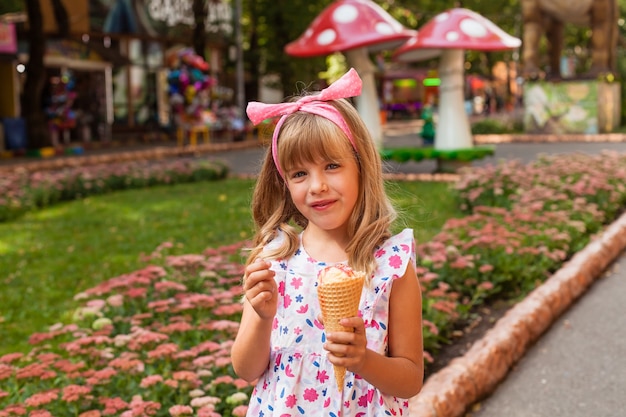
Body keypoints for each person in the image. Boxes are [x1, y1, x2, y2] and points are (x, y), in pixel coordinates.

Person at [231, 68, 424, 416]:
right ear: (285, 183)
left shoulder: (390, 264)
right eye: (300, 174)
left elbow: (410, 379)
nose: (317, 185)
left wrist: (364, 360)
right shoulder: (275, 259)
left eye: (332, 165)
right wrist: (261, 317)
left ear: (361, 167)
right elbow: (246, 370)